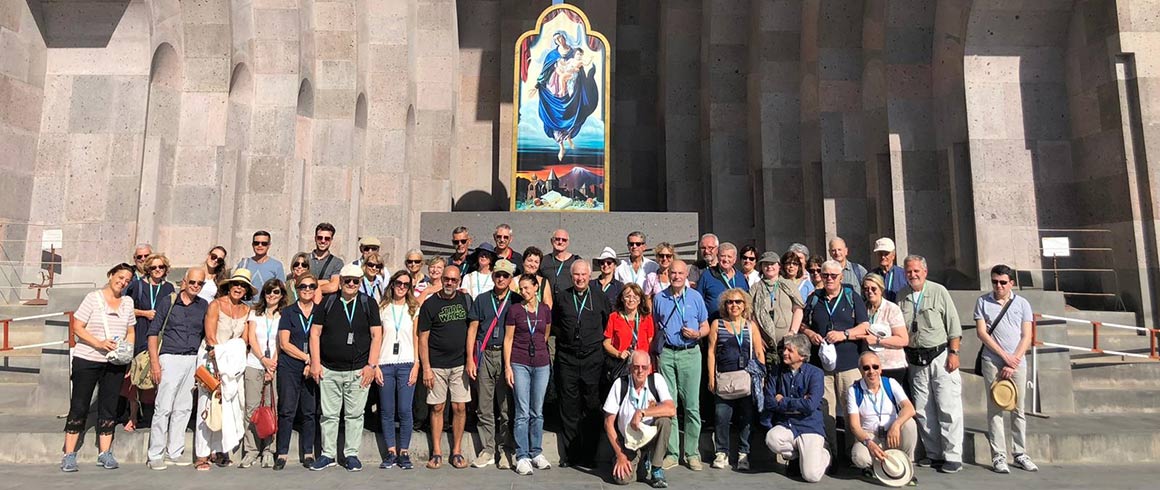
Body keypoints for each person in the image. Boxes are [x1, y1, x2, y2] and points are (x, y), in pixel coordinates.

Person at [61, 263, 137, 472]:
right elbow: (77, 326)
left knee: (109, 405)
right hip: (88, 358)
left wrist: (127, 353)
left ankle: (105, 453)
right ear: (111, 275)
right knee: (79, 405)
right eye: (120, 277)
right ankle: (69, 454)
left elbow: (130, 330)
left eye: (127, 280)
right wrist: (98, 343)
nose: (122, 282)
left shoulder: (128, 303)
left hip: (114, 362)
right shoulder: (93, 298)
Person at [308, 264, 383, 471]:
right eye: (347, 280)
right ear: (340, 281)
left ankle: (351, 454)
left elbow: (377, 335)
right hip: (329, 369)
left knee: (355, 415)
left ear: (360, 283)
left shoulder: (369, 304)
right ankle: (327, 454)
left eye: (355, 281)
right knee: (329, 415)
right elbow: (315, 333)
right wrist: (315, 363)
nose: (351, 284)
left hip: (358, 370)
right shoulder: (328, 302)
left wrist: (371, 365)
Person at [898, 254, 963, 473]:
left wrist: (954, 352)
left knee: (947, 406)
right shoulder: (902, 295)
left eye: (917, 271)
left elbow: (953, 324)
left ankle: (953, 455)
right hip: (915, 358)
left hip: (940, 356)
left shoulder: (939, 291)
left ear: (925, 272)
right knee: (923, 408)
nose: (913, 275)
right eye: (909, 271)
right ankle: (934, 453)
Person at [799, 259, 870, 455]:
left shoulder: (851, 296)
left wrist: (844, 334)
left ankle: (854, 452)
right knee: (825, 410)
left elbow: (864, 326)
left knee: (851, 409)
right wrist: (810, 334)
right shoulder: (814, 298)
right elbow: (803, 324)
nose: (829, 279)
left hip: (848, 362)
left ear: (841, 277)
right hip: (821, 365)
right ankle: (831, 452)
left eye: (833, 275)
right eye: (825, 275)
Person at [975, 264, 1038, 474]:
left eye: (1003, 282)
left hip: (1017, 361)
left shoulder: (1022, 304)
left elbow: (1026, 335)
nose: (998, 286)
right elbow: (982, 333)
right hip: (993, 359)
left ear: (1011, 283)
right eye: (995, 282)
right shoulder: (983, 301)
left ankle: (1020, 453)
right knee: (995, 408)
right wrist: (1004, 357)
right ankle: (998, 456)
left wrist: (1015, 360)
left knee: (1018, 409)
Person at [146, 267, 209, 470]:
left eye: (200, 283)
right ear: (184, 281)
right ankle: (155, 454)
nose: (196, 286)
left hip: (191, 359)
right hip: (169, 357)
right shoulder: (169, 301)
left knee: (183, 408)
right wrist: (155, 363)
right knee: (163, 407)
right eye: (193, 282)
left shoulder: (203, 305)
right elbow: (153, 332)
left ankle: (174, 451)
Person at [552, 260, 612, 468]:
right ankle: (572, 455)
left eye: (583, 275)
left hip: (593, 359)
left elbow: (607, 323)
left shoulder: (599, 297)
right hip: (568, 358)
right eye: (576, 275)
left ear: (589, 276)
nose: (580, 278)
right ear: (571, 276)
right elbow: (556, 325)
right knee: (569, 406)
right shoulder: (562, 298)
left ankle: (589, 455)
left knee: (592, 405)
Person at [195, 268, 255, 470]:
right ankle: (202, 454)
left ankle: (221, 449)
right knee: (207, 404)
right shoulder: (215, 305)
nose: (239, 288)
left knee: (229, 406)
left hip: (232, 363)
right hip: (211, 359)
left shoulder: (247, 310)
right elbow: (210, 336)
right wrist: (218, 360)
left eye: (243, 285)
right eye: (236, 284)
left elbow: (244, 340)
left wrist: (231, 361)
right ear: (229, 286)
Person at [652, 259, 709, 471]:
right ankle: (673, 452)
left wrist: (697, 334)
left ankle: (692, 453)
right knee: (670, 406)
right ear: (668, 275)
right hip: (667, 354)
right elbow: (657, 323)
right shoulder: (660, 298)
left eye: (680, 273)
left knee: (692, 405)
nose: (676, 276)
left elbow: (706, 326)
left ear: (687, 275)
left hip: (690, 354)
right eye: (672, 273)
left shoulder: (695, 297)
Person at [465, 259, 519, 469]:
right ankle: (487, 449)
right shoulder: (482, 299)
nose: (501, 279)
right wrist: (470, 358)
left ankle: (505, 448)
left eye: (505, 276)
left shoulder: (516, 299)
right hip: (485, 355)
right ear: (493, 276)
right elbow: (472, 329)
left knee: (506, 406)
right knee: (484, 406)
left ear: (510, 278)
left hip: (507, 356)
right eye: (498, 275)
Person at [417, 265, 472, 469]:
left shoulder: (465, 300)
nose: (449, 283)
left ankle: (456, 451)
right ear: (442, 280)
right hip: (437, 365)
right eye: (447, 279)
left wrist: (470, 360)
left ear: (459, 282)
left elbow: (472, 331)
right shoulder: (430, 304)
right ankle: (437, 452)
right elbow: (423, 338)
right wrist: (427, 367)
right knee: (438, 407)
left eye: (454, 280)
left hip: (459, 364)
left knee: (459, 407)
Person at [707, 289, 764, 471]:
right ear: (725, 305)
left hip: (745, 378)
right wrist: (711, 377)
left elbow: (758, 351)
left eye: (738, 302)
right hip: (724, 377)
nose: (734, 305)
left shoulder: (750, 326)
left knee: (746, 417)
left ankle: (743, 453)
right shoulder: (717, 324)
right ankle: (721, 452)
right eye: (730, 302)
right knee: (721, 416)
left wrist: (761, 377)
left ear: (744, 305)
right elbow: (711, 352)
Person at [762, 334, 829, 483]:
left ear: (802, 355)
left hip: (809, 426)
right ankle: (799, 455)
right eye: (785, 349)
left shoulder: (815, 374)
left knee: (811, 476)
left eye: (790, 350)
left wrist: (784, 401)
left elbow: (811, 405)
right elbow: (769, 401)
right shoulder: (776, 371)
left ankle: (823, 454)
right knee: (772, 438)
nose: (785, 353)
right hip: (787, 425)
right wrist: (799, 403)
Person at [604, 350, 677, 487]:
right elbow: (608, 423)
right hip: (629, 441)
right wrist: (620, 455)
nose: (640, 371)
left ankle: (656, 467)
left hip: (650, 437)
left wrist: (642, 412)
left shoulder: (656, 380)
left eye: (644, 367)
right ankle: (640, 465)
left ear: (649, 368)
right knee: (622, 479)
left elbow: (671, 409)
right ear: (630, 368)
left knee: (665, 420)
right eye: (636, 367)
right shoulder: (620, 384)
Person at [505, 273, 554, 475]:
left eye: (527, 288)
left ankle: (536, 452)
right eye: (521, 289)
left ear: (536, 288)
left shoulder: (545, 309)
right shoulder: (515, 310)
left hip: (541, 363)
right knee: (522, 411)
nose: (524, 292)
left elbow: (545, 333)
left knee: (538, 411)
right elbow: (508, 339)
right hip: (519, 362)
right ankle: (522, 455)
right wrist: (508, 366)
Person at [847, 352, 918, 484]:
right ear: (860, 371)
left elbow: (909, 408)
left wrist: (896, 425)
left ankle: (905, 463)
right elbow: (854, 426)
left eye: (875, 367)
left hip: (893, 434)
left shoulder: (890, 383)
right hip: (871, 435)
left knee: (909, 424)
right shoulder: (854, 390)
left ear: (880, 368)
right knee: (859, 457)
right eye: (866, 368)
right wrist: (869, 443)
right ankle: (874, 466)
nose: (871, 371)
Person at [239, 278, 288, 468]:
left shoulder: (284, 315)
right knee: (252, 409)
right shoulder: (254, 313)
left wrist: (272, 364)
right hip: (254, 363)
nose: (271, 295)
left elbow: (281, 342)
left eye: (276, 292)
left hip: (274, 365)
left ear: (282, 294)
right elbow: (252, 337)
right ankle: (251, 450)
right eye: (268, 292)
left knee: (270, 408)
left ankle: (269, 450)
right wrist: (263, 359)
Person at [123, 253, 175, 430]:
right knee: (135, 373)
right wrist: (145, 313)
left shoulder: (169, 288)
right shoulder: (137, 286)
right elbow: (126, 309)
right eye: (153, 267)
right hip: (140, 331)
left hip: (160, 336)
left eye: (161, 267)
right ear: (148, 269)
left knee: (157, 374)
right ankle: (133, 416)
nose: (157, 270)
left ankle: (155, 415)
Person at [274, 273, 320, 470]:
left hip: (313, 366)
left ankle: (308, 452)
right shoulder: (289, 312)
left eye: (311, 286)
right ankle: (282, 453)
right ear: (297, 289)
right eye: (303, 287)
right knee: (287, 410)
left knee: (310, 411)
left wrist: (313, 362)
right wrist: (307, 357)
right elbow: (284, 343)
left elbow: (322, 340)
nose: (307, 290)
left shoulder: (320, 312)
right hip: (291, 365)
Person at [378, 270, 421, 470]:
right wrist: (375, 365)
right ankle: (391, 451)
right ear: (392, 284)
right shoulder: (382, 307)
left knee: (404, 409)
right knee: (387, 410)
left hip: (406, 363)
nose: (402, 287)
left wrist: (417, 364)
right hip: (385, 362)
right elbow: (376, 338)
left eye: (406, 284)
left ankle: (404, 451)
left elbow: (416, 337)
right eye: (399, 283)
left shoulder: (413, 308)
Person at [859, 273, 909, 392]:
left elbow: (903, 339)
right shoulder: (862, 309)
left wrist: (878, 341)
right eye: (866, 289)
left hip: (891, 366)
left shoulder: (892, 309)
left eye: (873, 288)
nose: (869, 291)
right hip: (870, 367)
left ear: (881, 289)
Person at [751, 251, 804, 364]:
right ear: (761, 267)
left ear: (779, 266)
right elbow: (750, 315)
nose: (769, 267)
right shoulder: (755, 288)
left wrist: (792, 332)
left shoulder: (789, 285)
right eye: (765, 264)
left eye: (772, 263)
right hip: (764, 345)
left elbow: (798, 310)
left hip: (788, 343)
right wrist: (757, 338)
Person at [603, 283, 656, 382]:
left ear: (640, 300)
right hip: (622, 364)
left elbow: (650, 341)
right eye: (627, 296)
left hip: (642, 366)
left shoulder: (646, 318)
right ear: (622, 299)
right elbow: (606, 343)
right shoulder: (614, 317)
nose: (631, 300)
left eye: (635, 297)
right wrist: (618, 354)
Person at [695, 242, 750, 320]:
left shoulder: (741, 277)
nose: (726, 259)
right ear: (717, 256)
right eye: (723, 256)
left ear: (734, 259)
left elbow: (747, 303)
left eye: (729, 256)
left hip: (736, 326)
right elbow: (698, 301)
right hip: (713, 325)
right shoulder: (707, 275)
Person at [237, 231, 286, 304]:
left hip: (266, 308)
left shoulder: (277, 265)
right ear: (252, 245)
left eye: (264, 243)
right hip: (243, 307)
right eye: (257, 243)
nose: (260, 246)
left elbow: (281, 291)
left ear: (269, 245)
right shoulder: (243, 264)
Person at [541, 229, 582, 294]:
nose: (560, 242)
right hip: (548, 302)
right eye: (557, 239)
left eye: (564, 240)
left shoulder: (576, 261)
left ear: (568, 243)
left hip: (570, 301)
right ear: (551, 241)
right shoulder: (543, 261)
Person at [309, 222, 344, 295]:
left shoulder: (337, 262)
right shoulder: (304, 259)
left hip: (326, 304)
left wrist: (308, 289)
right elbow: (297, 283)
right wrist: (327, 281)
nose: (323, 241)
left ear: (331, 240)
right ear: (315, 238)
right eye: (320, 237)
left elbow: (333, 287)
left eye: (327, 238)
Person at [870, 237, 906, 302]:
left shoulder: (903, 274)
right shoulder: (871, 275)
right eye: (880, 254)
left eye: (886, 254)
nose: (883, 257)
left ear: (893, 255)